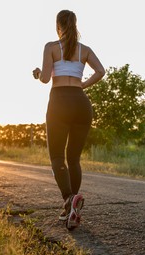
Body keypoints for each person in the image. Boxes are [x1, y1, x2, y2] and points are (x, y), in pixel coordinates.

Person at [33, 10, 105, 229]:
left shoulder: (51, 47)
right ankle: (71, 209)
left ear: (58, 25)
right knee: (73, 158)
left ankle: (68, 198)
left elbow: (46, 78)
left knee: (56, 156)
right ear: (75, 24)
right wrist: (82, 85)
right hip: (82, 104)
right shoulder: (85, 50)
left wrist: (37, 73)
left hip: (59, 102)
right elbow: (100, 71)